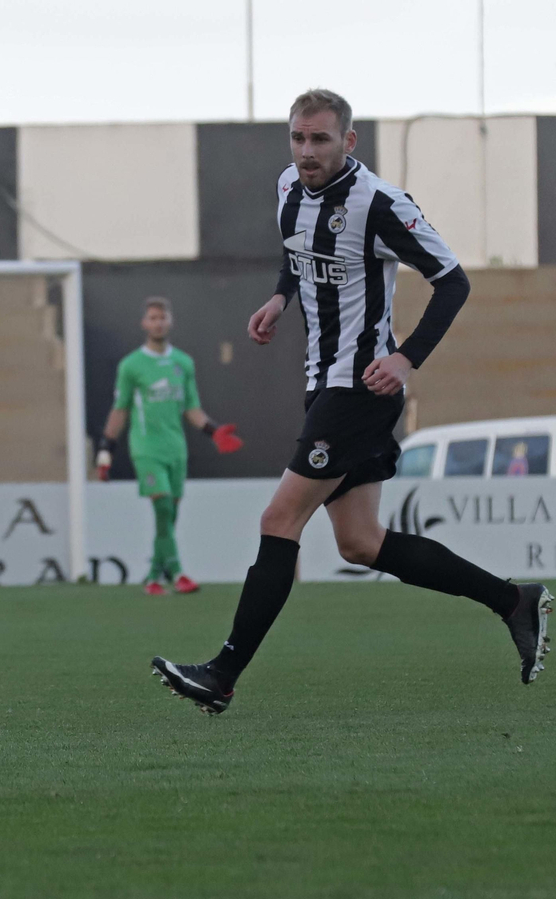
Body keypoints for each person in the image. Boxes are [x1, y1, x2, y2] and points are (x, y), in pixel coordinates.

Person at [151, 88, 551, 714]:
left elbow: (453, 281)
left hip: (359, 388)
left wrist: (405, 357)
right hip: (322, 382)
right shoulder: (288, 187)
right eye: (298, 138)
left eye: (320, 140)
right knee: (361, 543)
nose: (306, 152)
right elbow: (298, 256)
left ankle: (222, 675)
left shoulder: (380, 204)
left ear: (348, 141)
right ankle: (514, 601)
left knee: (278, 520)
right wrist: (280, 299)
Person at [96, 296, 242, 595]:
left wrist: (214, 431)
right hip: (146, 448)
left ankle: (152, 576)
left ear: (170, 321)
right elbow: (120, 409)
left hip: (176, 448)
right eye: (152, 318)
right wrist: (105, 450)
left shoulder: (183, 362)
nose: (157, 323)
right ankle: (177, 574)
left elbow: (192, 408)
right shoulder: (131, 366)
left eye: (162, 317)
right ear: (144, 323)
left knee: (169, 518)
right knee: (163, 507)